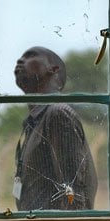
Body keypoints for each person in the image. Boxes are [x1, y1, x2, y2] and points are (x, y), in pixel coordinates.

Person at [13, 46, 97, 210]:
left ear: (53, 69)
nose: (20, 61)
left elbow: (74, 195)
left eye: (31, 55)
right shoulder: (35, 122)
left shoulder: (57, 114)